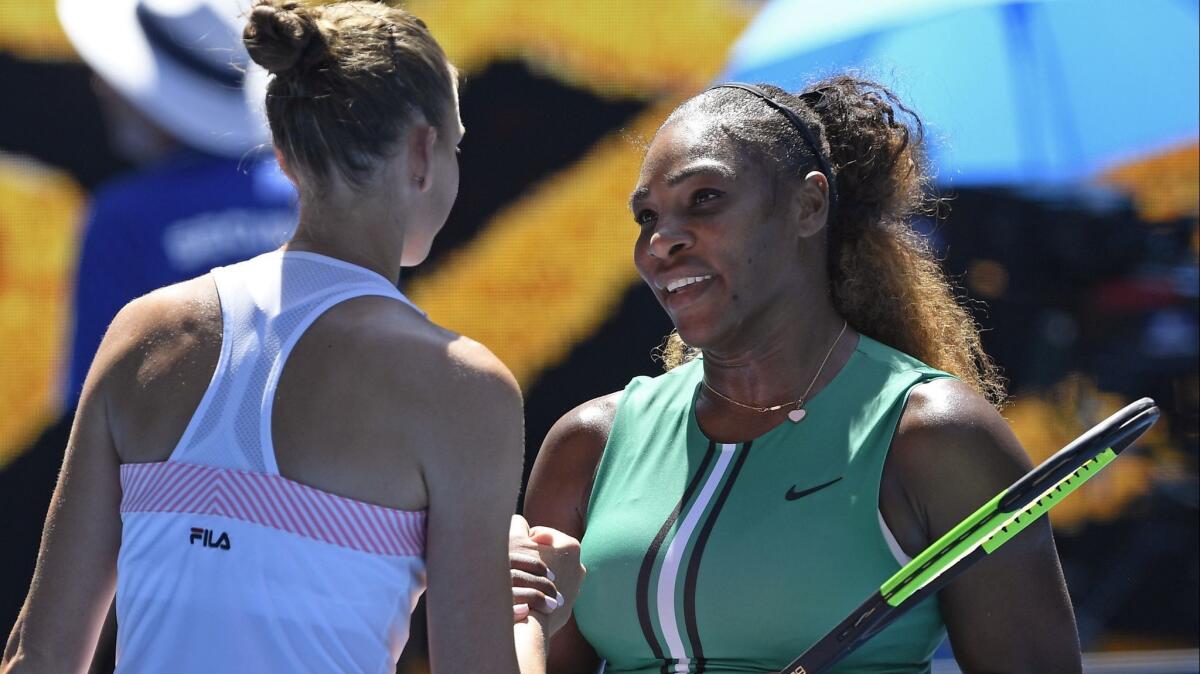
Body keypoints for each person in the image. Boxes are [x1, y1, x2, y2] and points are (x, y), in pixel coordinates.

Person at [2, 2, 582, 673]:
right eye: (455, 146)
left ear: (284, 154)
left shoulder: (141, 333)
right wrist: (535, 611)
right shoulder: (463, 387)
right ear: (424, 152)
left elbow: (35, 658)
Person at [521, 77, 1083, 673]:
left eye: (704, 198)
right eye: (646, 216)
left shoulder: (936, 435)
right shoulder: (587, 444)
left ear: (808, 205)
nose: (661, 242)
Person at [57, 0, 300, 410]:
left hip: (173, 469)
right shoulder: (312, 194)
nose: (101, 85)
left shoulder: (124, 217)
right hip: (326, 464)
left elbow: (90, 399)